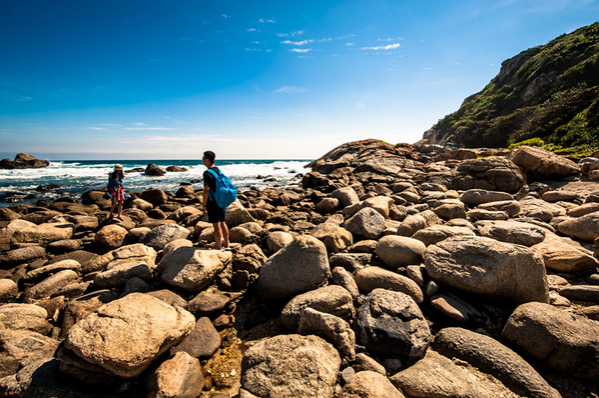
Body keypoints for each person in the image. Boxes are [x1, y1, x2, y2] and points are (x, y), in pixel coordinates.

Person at [202, 151, 231, 251]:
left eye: (203, 159)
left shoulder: (207, 173)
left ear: (207, 159)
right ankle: (227, 245)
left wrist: (204, 205)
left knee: (216, 226)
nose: (202, 160)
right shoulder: (218, 170)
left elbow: (206, 189)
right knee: (223, 223)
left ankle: (219, 248)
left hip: (213, 201)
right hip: (221, 199)